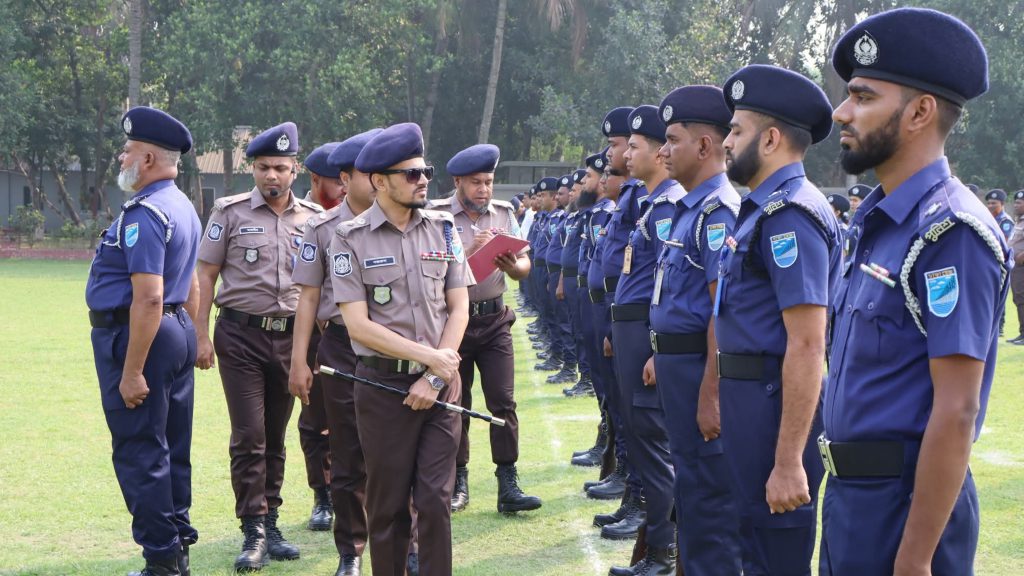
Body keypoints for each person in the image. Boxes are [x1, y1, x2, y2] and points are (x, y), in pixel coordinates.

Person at [822, 8, 1010, 574]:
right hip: (854, 500)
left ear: (920, 112)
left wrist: (916, 558)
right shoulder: (880, 221)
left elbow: (957, 409)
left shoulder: (951, 231)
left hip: (904, 510)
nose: (841, 112)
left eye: (862, 97)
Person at [715, 64, 842, 575]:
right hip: (751, 403)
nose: (726, 142)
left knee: (776, 554)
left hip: (773, 407)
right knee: (754, 548)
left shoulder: (790, 214)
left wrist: (789, 461)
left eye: (736, 130)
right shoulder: (764, 208)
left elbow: (808, 344)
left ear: (769, 139)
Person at [331, 122, 473, 576]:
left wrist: (434, 375)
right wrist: (430, 359)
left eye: (425, 171)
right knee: (388, 506)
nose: (423, 180)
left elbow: (459, 307)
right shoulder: (349, 238)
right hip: (383, 388)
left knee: (435, 501)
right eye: (411, 174)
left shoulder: (444, 228)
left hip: (441, 387)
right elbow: (358, 325)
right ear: (379, 181)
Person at [195, 122, 323, 572]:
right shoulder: (228, 213)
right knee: (249, 434)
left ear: (295, 170)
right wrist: (200, 334)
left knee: (275, 436)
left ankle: (271, 522)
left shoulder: (314, 219)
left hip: (292, 338)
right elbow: (206, 275)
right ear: (253, 168)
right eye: (264, 167)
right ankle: (253, 529)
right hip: (240, 336)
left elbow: (320, 287)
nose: (272, 175)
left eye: (281, 168)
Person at [87, 107, 201, 576]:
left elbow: (150, 296)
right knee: (171, 446)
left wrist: (132, 371)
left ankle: (162, 560)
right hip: (175, 329)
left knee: (140, 449)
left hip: (141, 335)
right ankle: (178, 547)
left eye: (129, 149)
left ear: (149, 158)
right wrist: (194, 336)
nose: (122, 157)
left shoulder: (147, 212)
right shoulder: (182, 204)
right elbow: (191, 281)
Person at [647, 85, 743, 575]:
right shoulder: (690, 209)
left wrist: (712, 393)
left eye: (672, 140)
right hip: (677, 367)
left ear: (705, 146)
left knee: (708, 498)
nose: (663, 151)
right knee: (690, 488)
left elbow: (720, 311)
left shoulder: (717, 212)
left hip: (698, 372)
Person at [289, 128, 382, 576]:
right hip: (342, 347)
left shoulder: (410, 223)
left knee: (397, 454)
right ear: (345, 179)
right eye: (368, 173)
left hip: (399, 349)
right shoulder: (322, 228)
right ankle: (351, 550)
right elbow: (308, 297)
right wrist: (298, 361)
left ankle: (407, 545)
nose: (379, 180)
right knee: (347, 454)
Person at [431, 143, 541, 515]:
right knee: (455, 403)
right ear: (458, 182)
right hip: (453, 323)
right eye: (476, 182)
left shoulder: (504, 213)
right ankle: (458, 479)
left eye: (489, 182)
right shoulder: (437, 216)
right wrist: (469, 252)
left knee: (503, 401)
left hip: (494, 320)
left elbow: (524, 266)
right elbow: (430, 268)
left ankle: (507, 481)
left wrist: (512, 265)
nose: (484, 189)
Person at [605, 104, 683, 575]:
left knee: (653, 443)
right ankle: (655, 547)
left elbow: (668, 282)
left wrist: (654, 345)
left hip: (645, 333)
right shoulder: (652, 204)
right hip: (630, 329)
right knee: (639, 436)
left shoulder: (669, 205)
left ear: (659, 152)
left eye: (635, 147)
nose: (626, 155)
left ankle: (663, 552)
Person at [293, 142, 342, 533]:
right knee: (314, 420)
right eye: (336, 180)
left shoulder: (362, 216)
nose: (344, 187)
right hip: (311, 332)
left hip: (352, 334)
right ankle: (322, 495)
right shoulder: (304, 219)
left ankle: (351, 493)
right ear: (316, 179)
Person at [544, 174, 578, 384]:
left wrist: (560, 281)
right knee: (559, 320)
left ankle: (570, 367)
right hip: (556, 273)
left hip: (567, 276)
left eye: (570, 191)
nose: (559, 197)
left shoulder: (576, 218)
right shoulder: (568, 218)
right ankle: (563, 361)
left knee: (567, 325)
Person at [1008, 190, 1024, 345]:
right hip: (1016, 267)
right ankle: (1022, 332)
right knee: (1018, 298)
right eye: (1015, 202)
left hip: (1022, 266)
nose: (1015, 205)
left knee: (1022, 298)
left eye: (1019, 203)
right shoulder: (1019, 221)